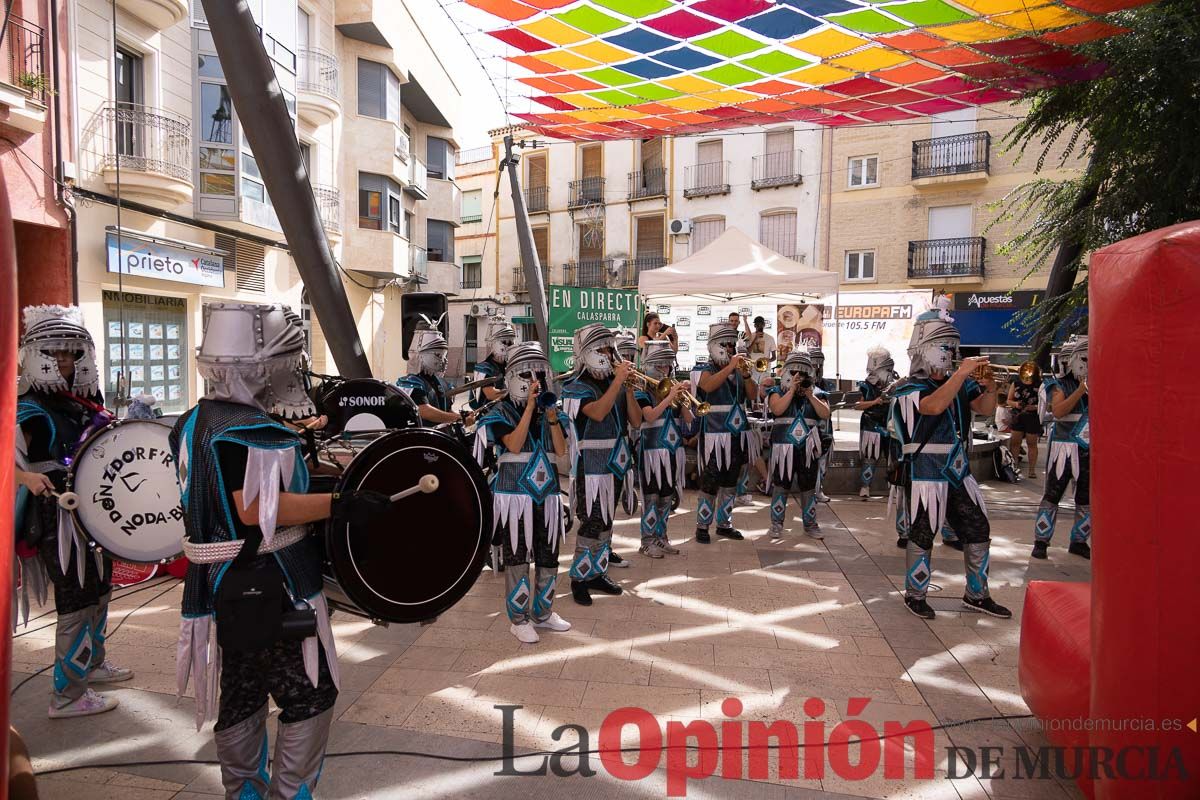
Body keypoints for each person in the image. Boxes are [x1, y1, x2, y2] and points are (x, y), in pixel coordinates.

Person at [170, 302, 390, 799]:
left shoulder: (194, 420)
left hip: (222, 583)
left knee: (243, 692)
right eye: (289, 362)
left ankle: (245, 792)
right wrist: (339, 503)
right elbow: (255, 509)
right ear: (262, 368)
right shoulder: (247, 430)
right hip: (270, 583)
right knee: (310, 696)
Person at [13, 305, 132, 719]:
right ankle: (67, 695)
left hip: (95, 512)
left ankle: (92, 665)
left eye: (72, 352)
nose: (65, 360)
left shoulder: (84, 402)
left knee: (100, 590)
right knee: (75, 599)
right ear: (37, 356)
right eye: (56, 352)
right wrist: (25, 477)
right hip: (57, 516)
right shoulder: (27, 407)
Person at [890, 312, 1010, 621]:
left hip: (958, 470)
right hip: (925, 472)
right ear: (925, 349)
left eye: (952, 347)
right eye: (944, 347)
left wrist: (990, 388)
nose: (951, 353)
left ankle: (977, 594)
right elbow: (932, 406)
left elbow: (985, 409)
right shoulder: (907, 386)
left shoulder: (960, 384)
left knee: (977, 528)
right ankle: (916, 595)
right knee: (923, 532)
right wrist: (961, 375)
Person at [477, 342, 571, 641]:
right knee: (517, 557)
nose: (534, 381)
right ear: (511, 377)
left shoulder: (550, 410)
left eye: (539, 375)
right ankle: (518, 619)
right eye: (527, 375)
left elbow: (561, 450)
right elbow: (515, 445)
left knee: (549, 555)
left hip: (548, 494)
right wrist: (530, 408)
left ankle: (543, 613)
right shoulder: (500, 411)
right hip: (514, 495)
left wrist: (551, 414)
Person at [561, 324, 641, 605]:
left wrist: (628, 390)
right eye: (603, 349)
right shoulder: (575, 386)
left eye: (610, 348)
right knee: (592, 521)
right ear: (588, 352)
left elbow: (636, 421)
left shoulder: (613, 383)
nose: (609, 354)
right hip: (590, 466)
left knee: (607, 520)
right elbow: (596, 413)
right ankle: (579, 578)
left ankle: (596, 572)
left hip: (615, 463)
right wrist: (618, 382)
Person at [691, 322, 751, 543]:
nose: (729, 348)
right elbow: (708, 386)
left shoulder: (738, 370)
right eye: (725, 344)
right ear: (714, 346)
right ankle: (702, 526)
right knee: (710, 481)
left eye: (732, 344)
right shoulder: (702, 369)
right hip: (714, 434)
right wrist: (730, 368)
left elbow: (753, 395)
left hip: (737, 434)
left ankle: (724, 524)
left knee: (730, 482)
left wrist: (746, 376)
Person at [1032, 336, 1090, 560]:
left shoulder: (1101, 382)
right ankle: (1041, 541)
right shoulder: (1058, 384)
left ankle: (1079, 541)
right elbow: (1058, 411)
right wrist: (1082, 389)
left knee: (1085, 497)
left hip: (1088, 448)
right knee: (1053, 494)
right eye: (1084, 359)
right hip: (1063, 447)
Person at [634, 341, 691, 558]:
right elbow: (649, 416)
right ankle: (647, 541)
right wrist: (669, 397)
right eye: (659, 365)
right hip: (651, 452)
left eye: (667, 365)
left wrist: (684, 398)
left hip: (672, 451)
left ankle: (661, 536)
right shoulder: (642, 392)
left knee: (667, 496)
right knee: (651, 496)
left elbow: (689, 419)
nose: (664, 369)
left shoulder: (672, 390)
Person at [766, 349, 831, 540]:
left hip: (808, 448)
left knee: (808, 486)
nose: (798, 376)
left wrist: (810, 395)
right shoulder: (777, 391)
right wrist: (792, 390)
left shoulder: (818, 393)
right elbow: (777, 410)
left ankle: (810, 524)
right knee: (781, 485)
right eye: (794, 372)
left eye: (803, 373)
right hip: (783, 448)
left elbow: (825, 414)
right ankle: (776, 524)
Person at [397, 320, 476, 426]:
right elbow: (424, 411)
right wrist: (458, 418)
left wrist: (462, 417)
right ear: (421, 354)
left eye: (444, 355)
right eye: (438, 355)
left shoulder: (441, 382)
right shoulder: (411, 382)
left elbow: (446, 411)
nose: (444, 360)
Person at [854, 346, 896, 501]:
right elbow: (858, 405)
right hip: (871, 424)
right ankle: (865, 486)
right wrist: (875, 402)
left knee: (893, 457)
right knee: (869, 457)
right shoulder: (865, 385)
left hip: (890, 423)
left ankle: (894, 487)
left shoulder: (895, 383)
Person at [469, 316, 516, 411]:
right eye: (504, 342)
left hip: (504, 409)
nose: (507, 346)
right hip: (487, 413)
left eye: (510, 343)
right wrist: (514, 393)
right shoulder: (483, 368)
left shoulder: (510, 366)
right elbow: (491, 394)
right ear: (493, 343)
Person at [808, 346, 835, 503]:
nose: (817, 367)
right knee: (809, 460)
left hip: (825, 426)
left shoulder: (827, 384)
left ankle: (819, 489)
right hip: (810, 426)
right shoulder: (804, 384)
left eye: (820, 364)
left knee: (823, 460)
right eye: (813, 363)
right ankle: (809, 491)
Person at [1007, 363, 1043, 479]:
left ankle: (1032, 470)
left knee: (1031, 443)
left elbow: (1045, 403)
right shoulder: (1016, 383)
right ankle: (1014, 467)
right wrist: (1016, 404)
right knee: (1015, 443)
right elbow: (1009, 400)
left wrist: (1035, 407)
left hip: (1032, 417)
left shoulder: (1040, 385)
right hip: (1018, 416)